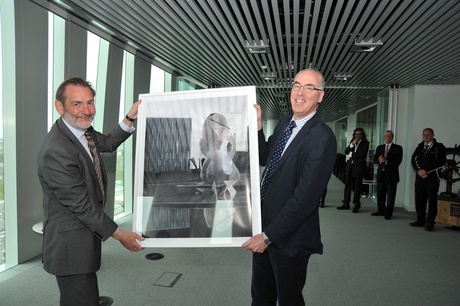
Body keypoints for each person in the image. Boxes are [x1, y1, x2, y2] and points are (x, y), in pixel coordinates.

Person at [37, 77, 145, 305]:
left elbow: (109, 143)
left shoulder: (83, 132)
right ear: (60, 106)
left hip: (83, 236)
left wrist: (130, 117)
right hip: (70, 246)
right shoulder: (57, 150)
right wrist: (120, 234)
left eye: (90, 102)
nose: (86, 111)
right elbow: (82, 205)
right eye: (77, 104)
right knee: (81, 299)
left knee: (85, 296)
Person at [242, 69, 336, 306]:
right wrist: (258, 126)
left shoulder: (322, 138)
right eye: (296, 85)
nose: (300, 92)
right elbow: (266, 157)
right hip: (263, 226)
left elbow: (305, 199)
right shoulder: (285, 123)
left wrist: (268, 236)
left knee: (289, 300)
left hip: (289, 238)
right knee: (261, 297)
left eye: (309, 88)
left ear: (320, 96)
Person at [410, 128, 446, 231]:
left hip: (432, 178)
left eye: (428, 135)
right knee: (419, 199)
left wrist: (426, 171)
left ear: (433, 135)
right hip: (420, 177)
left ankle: (430, 223)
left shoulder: (439, 147)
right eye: (424, 135)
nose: (426, 137)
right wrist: (419, 171)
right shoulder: (420, 146)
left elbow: (440, 162)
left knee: (432, 200)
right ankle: (420, 220)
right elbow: (414, 159)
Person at [371, 130, 403, 219]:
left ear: (392, 137)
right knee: (380, 194)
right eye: (386, 136)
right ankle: (380, 210)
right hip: (381, 174)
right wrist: (379, 160)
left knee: (391, 196)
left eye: (389, 136)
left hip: (391, 175)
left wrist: (386, 161)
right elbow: (374, 159)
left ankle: (388, 213)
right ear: (384, 137)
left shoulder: (398, 148)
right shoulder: (379, 147)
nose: (388, 138)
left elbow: (398, 161)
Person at [337, 127, 370, 213]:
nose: (357, 136)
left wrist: (352, 154)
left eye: (359, 134)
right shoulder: (353, 141)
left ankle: (356, 204)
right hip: (350, 167)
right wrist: (352, 144)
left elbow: (362, 155)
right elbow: (346, 151)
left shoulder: (365, 143)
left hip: (358, 167)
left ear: (362, 135)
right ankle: (346, 203)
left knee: (357, 187)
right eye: (356, 134)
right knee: (347, 186)